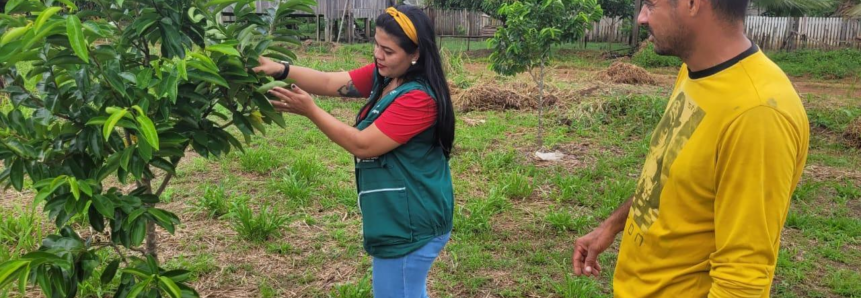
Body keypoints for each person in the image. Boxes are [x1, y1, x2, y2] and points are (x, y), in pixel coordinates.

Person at [571, 0, 810, 297]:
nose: (642, 18)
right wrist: (613, 224)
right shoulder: (696, 70)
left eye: (650, 4)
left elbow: (742, 278)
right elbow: (671, 179)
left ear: (693, 4)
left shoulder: (757, 114)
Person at [254, 5, 455, 298]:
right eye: (376, 44)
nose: (378, 54)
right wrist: (279, 68)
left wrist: (310, 110)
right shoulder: (387, 77)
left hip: (412, 222)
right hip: (402, 212)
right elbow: (327, 82)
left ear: (415, 54)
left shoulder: (419, 100)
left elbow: (363, 144)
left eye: (388, 50)